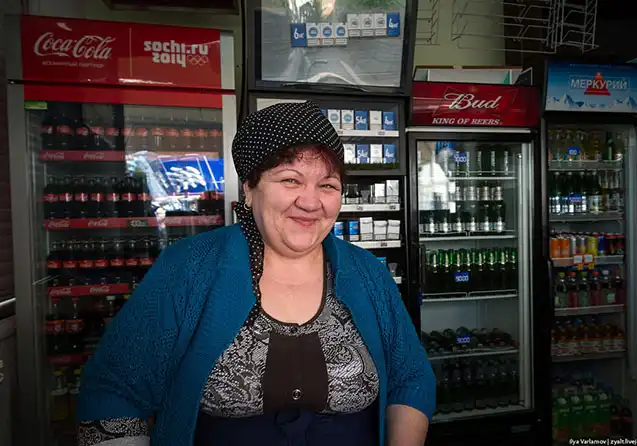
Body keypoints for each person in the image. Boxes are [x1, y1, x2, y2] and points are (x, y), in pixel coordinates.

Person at [76, 101, 435, 446]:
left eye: (327, 185)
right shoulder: (188, 268)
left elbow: (411, 377)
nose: (311, 202)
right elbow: (114, 391)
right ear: (249, 188)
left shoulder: (369, 274)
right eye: (290, 180)